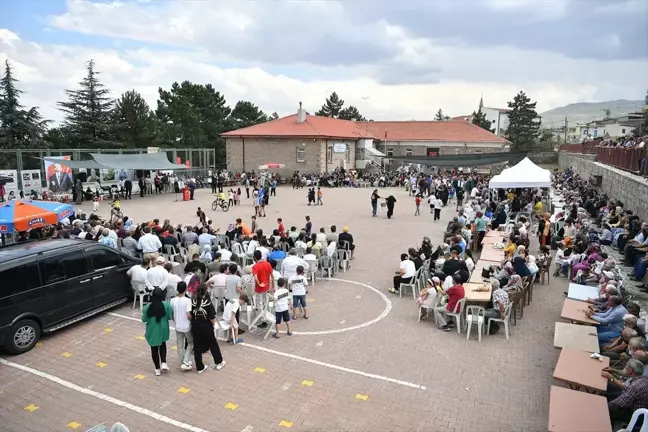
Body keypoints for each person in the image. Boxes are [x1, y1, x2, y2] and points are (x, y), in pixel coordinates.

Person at [190, 284, 226, 373]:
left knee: (197, 346)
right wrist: (214, 324)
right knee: (213, 344)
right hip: (206, 326)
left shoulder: (193, 301)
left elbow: (191, 314)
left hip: (195, 326)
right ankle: (219, 362)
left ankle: (199, 367)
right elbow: (211, 317)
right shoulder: (207, 302)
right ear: (206, 291)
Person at [604, 359, 648, 426]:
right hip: (635, 405)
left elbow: (621, 403)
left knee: (608, 406)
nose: (625, 368)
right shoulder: (642, 378)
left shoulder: (634, 387)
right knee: (608, 393)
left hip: (632, 413)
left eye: (626, 367)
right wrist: (613, 370)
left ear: (630, 370)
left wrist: (605, 403)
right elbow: (625, 386)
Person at [141, 287, 173, 376]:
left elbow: (144, 319)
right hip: (163, 330)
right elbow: (170, 317)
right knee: (163, 345)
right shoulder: (166, 305)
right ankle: (164, 362)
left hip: (152, 331)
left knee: (154, 349)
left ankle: (157, 369)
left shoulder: (147, 307)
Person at [170, 282, 194, 371]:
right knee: (190, 343)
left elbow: (172, 315)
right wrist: (192, 319)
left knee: (180, 345)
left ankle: (182, 362)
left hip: (177, 326)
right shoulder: (188, 301)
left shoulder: (172, 300)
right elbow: (188, 315)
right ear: (186, 289)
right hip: (186, 326)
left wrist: (176, 320)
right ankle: (185, 361)